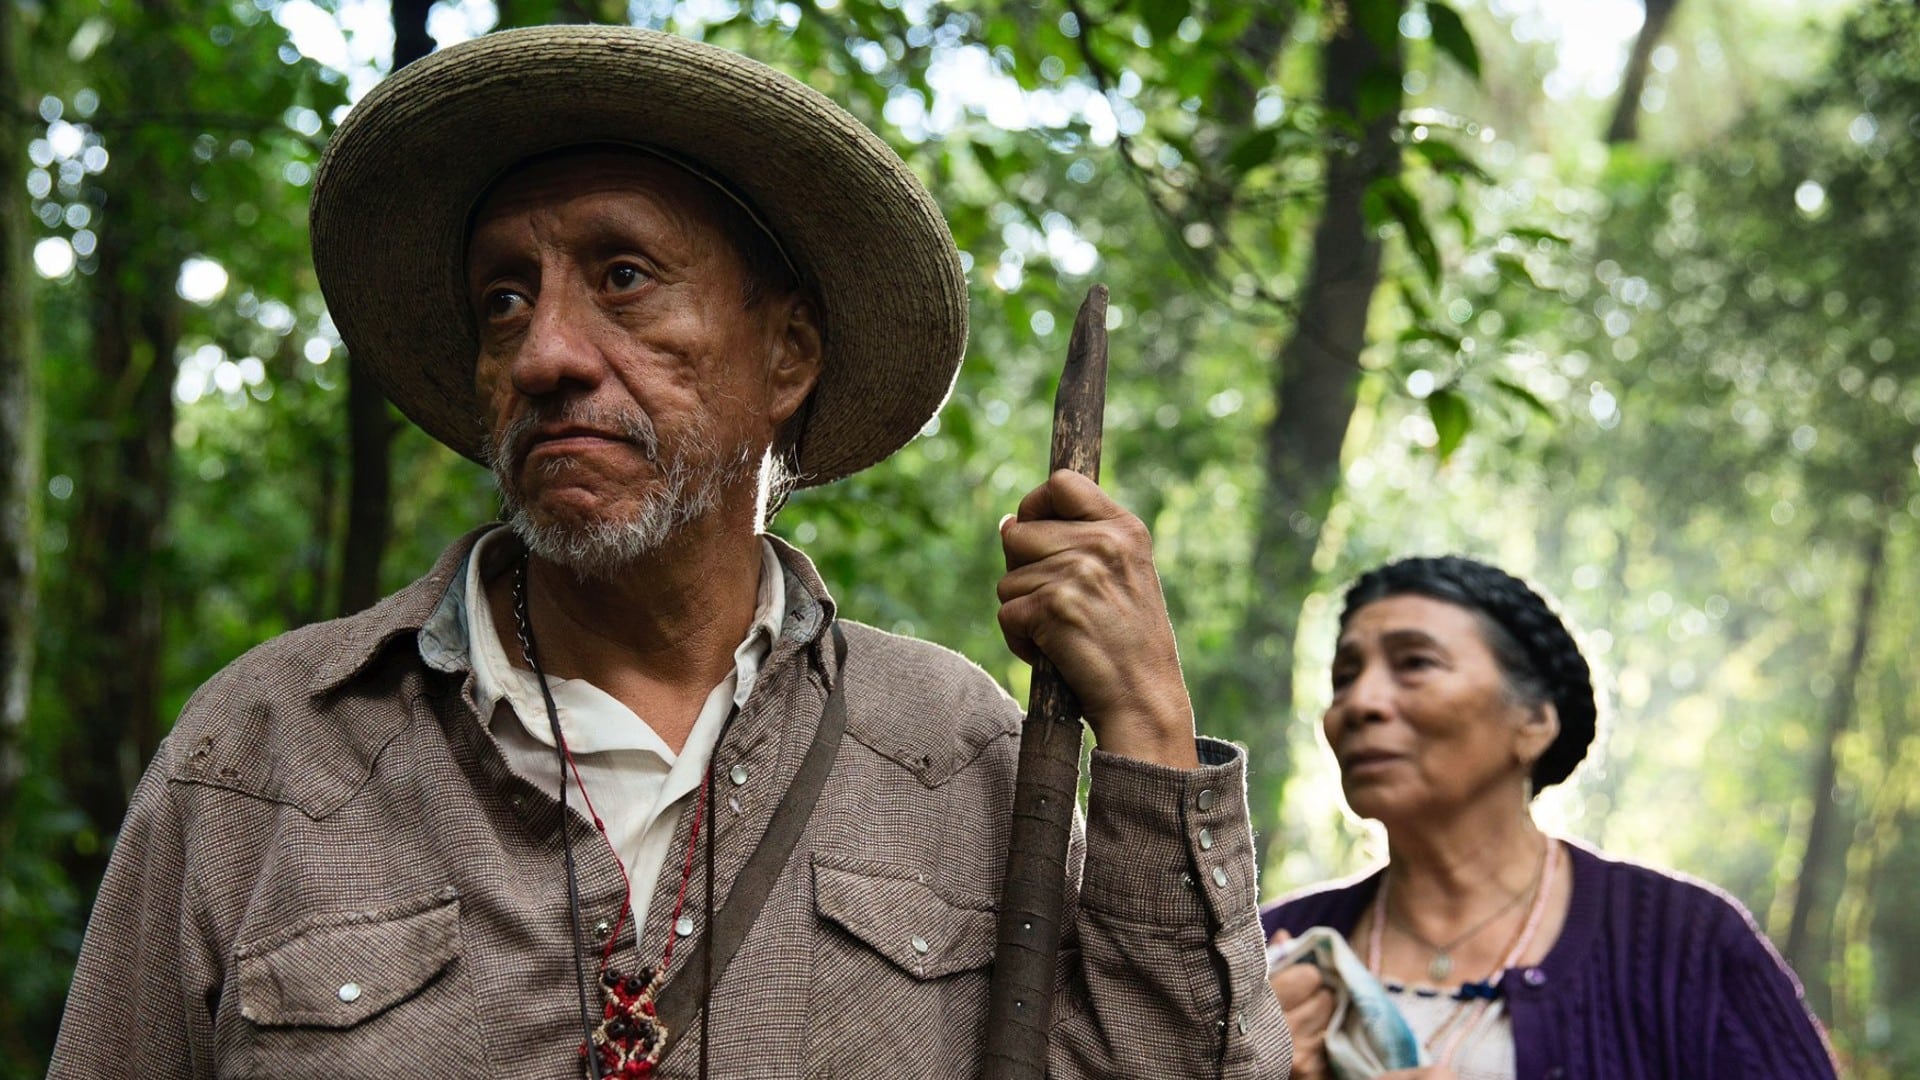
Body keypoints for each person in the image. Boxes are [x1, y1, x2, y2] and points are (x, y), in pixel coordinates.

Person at [48, 25, 1288, 1080]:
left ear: (787, 358)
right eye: (504, 299)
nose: (545, 355)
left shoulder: (951, 758)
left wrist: (1149, 741)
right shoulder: (263, 759)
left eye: (625, 278)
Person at [1262, 556, 1838, 1080]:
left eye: (1415, 663)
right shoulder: (1257, 953)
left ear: (1534, 722)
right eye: (1343, 678)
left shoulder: (1686, 943)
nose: (1360, 703)